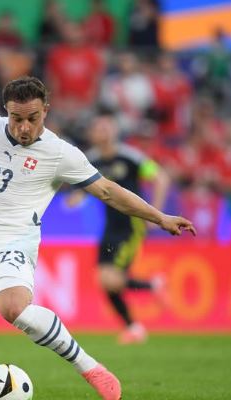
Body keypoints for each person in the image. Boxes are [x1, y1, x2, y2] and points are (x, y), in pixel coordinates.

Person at [0, 75, 196, 400]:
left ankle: (90, 367)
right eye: (16, 118)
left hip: (13, 245)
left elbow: (107, 191)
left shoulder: (59, 153)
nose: (24, 127)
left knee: (14, 307)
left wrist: (160, 217)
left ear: (45, 110)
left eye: (32, 118)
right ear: (6, 111)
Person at [68, 109, 170, 344]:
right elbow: (85, 185)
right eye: (98, 128)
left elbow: (161, 178)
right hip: (109, 225)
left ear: (115, 131)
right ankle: (134, 326)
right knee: (104, 280)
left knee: (111, 279)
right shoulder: (91, 160)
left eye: (106, 127)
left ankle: (151, 288)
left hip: (131, 224)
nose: (102, 132)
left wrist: (155, 214)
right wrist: (79, 196)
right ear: (92, 133)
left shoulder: (131, 157)